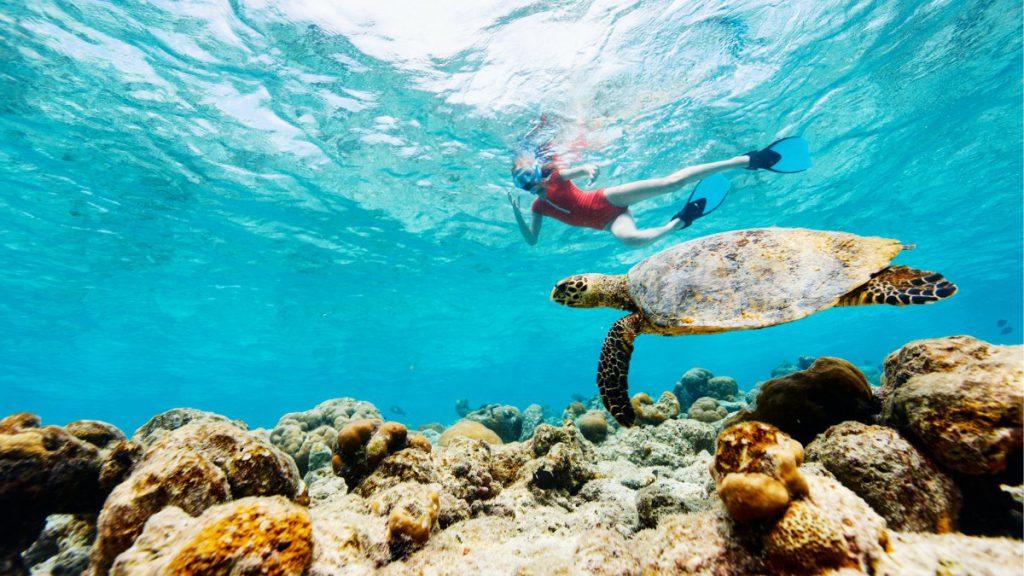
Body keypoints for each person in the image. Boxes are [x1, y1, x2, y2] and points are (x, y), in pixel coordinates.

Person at [507, 138, 807, 247]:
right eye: (523, 183)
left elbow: (583, 170)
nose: (531, 184)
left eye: (529, 176)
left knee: (670, 183)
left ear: (538, 172)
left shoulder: (557, 178)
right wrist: (517, 213)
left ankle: (747, 160)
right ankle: (679, 221)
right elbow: (532, 241)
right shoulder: (536, 209)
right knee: (632, 241)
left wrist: (589, 171)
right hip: (609, 223)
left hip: (608, 199)